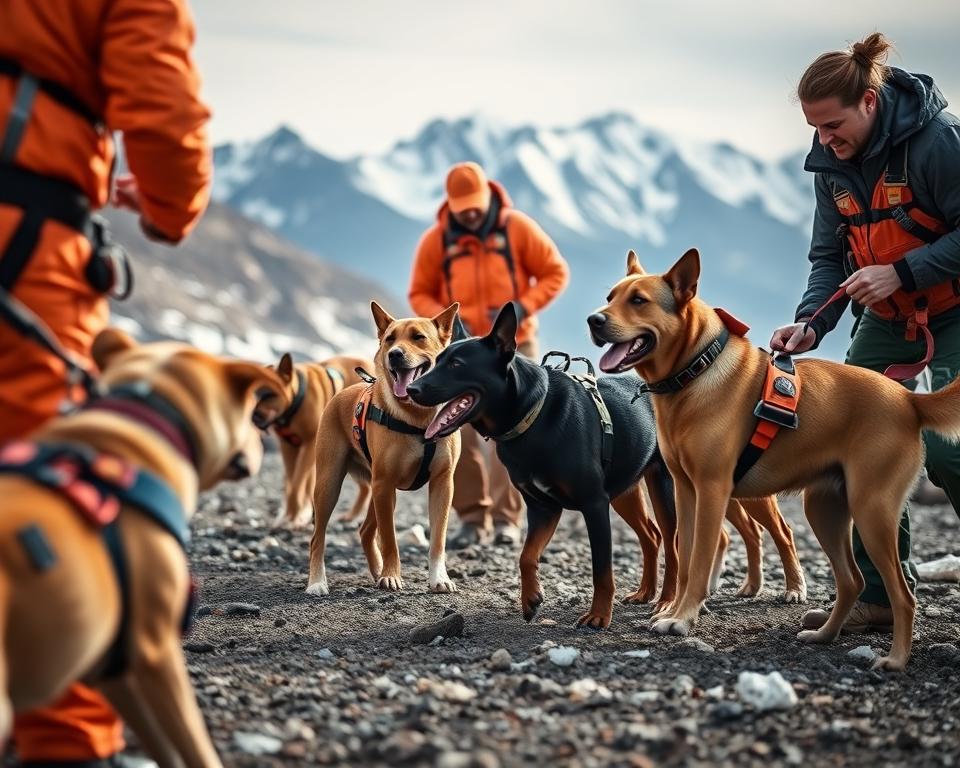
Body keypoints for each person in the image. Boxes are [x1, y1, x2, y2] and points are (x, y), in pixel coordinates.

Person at [0, 1, 211, 764]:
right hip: (23, 253)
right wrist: (167, 208)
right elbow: (162, 108)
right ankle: (65, 747)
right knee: (47, 517)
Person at [770, 32, 960, 633]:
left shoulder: (938, 144)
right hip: (884, 322)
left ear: (870, 102)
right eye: (816, 129)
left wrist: (903, 270)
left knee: (951, 453)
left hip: (954, 315)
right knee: (858, 448)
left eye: (833, 125)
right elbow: (829, 256)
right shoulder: (830, 166)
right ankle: (880, 599)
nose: (825, 140)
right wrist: (811, 322)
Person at [409, 161, 569, 547]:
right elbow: (419, 293)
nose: (470, 212)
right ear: (450, 204)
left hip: (512, 346)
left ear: (487, 195)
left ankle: (506, 519)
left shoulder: (518, 228)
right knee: (452, 425)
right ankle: (471, 517)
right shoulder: (436, 241)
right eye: (462, 206)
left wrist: (522, 307)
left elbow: (555, 272)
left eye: (474, 204)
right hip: (459, 350)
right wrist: (446, 320)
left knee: (512, 430)